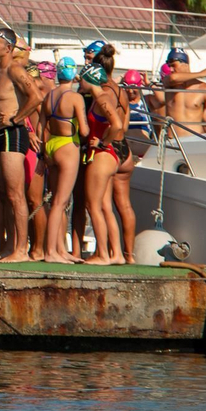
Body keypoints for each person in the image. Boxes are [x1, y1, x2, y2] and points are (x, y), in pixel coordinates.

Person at [0, 28, 43, 262]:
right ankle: (10, 247)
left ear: (8, 48)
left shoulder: (14, 69)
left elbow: (36, 97)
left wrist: (16, 118)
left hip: (11, 134)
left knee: (16, 194)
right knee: (4, 194)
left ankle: (21, 250)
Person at [39, 58, 87, 263]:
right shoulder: (75, 98)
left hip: (51, 146)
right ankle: (51, 252)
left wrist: (45, 151)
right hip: (68, 146)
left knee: (57, 201)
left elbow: (42, 128)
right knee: (60, 202)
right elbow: (84, 130)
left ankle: (59, 249)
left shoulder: (49, 96)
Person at [79, 64, 127, 265]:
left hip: (102, 156)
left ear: (89, 79)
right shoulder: (102, 97)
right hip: (108, 157)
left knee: (93, 205)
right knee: (106, 206)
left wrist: (102, 142)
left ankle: (103, 255)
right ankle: (117, 254)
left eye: (81, 78)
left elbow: (117, 125)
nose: (79, 82)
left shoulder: (101, 98)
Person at [162, 47, 206, 132]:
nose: (171, 70)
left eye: (174, 65)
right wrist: (201, 73)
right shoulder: (169, 84)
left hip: (193, 140)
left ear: (185, 64)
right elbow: (173, 78)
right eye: (169, 66)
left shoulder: (204, 89)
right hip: (172, 141)